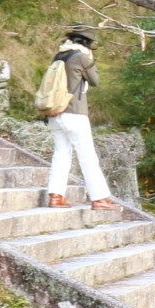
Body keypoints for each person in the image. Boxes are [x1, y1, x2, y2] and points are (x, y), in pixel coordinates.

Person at [41, 29, 120, 212]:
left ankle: (56, 196)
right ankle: (99, 199)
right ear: (87, 43)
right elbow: (95, 81)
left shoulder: (59, 56)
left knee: (61, 154)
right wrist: (90, 60)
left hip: (55, 113)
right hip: (74, 113)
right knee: (88, 157)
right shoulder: (81, 57)